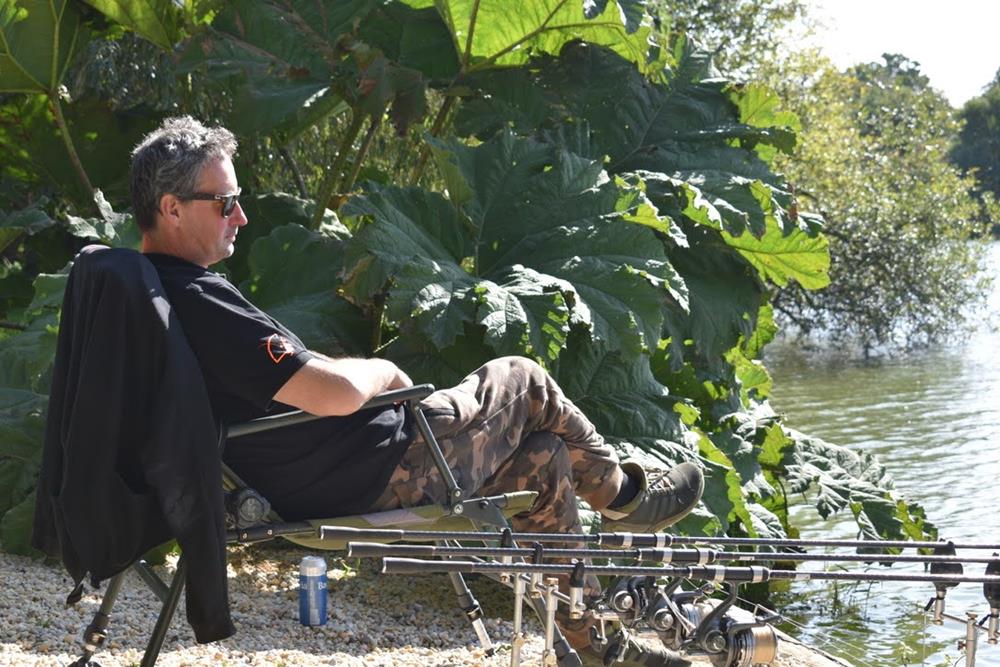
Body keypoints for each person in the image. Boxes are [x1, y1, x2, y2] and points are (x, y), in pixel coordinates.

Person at [131, 115, 704, 667]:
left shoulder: (155, 297)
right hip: (381, 467)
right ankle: (627, 498)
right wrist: (383, 372)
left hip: (348, 464)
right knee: (524, 379)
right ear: (172, 208)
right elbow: (333, 395)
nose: (241, 215)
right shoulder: (199, 302)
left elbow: (291, 379)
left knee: (543, 458)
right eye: (225, 202)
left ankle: (598, 647)